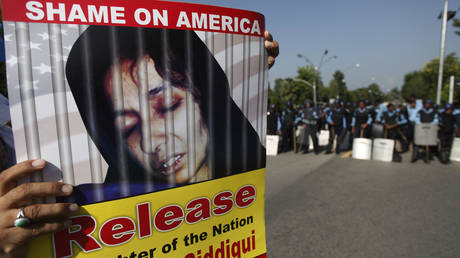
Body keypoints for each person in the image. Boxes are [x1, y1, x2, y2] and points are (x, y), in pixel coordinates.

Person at [0, 27, 280, 256]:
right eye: (128, 127)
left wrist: (251, 63)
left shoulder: (242, 167)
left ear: (205, 94)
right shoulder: (85, 214)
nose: (149, 140)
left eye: (168, 105)